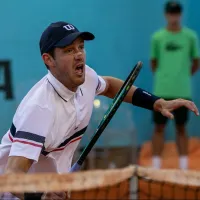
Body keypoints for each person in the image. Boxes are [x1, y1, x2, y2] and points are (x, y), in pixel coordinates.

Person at [0, 21, 198, 200]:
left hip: (52, 186)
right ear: (48, 59)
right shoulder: (39, 109)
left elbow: (111, 86)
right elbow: (13, 177)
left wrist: (156, 103)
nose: (79, 54)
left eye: (81, 47)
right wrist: (42, 195)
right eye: (69, 50)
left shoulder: (86, 79)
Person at [150, 1, 199, 170]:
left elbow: (195, 61)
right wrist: (167, 77)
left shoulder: (190, 37)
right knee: (159, 128)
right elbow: (154, 63)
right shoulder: (157, 37)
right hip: (161, 91)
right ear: (166, 15)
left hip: (182, 91)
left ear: (181, 14)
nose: (174, 16)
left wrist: (181, 77)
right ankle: (156, 166)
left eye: (176, 13)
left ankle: (184, 167)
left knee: (181, 128)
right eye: (171, 13)